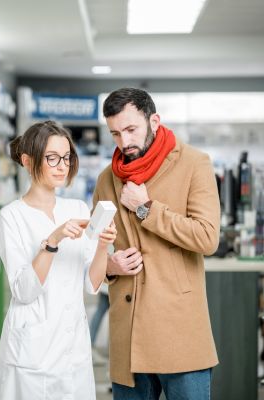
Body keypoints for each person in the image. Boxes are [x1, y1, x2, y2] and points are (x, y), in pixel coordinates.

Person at [93, 88, 220, 399]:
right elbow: (95, 247)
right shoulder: (106, 179)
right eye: (115, 134)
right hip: (128, 337)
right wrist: (110, 265)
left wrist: (146, 208)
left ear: (154, 121)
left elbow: (207, 237)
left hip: (179, 331)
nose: (124, 142)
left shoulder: (194, 164)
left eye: (131, 129)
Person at [0, 120, 117, 400]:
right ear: (27, 161)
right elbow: (24, 292)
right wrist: (52, 242)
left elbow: (91, 283)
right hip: (31, 354)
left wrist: (102, 246)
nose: (62, 166)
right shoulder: (11, 217)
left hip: (73, 351)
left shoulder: (75, 208)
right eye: (52, 158)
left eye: (66, 157)